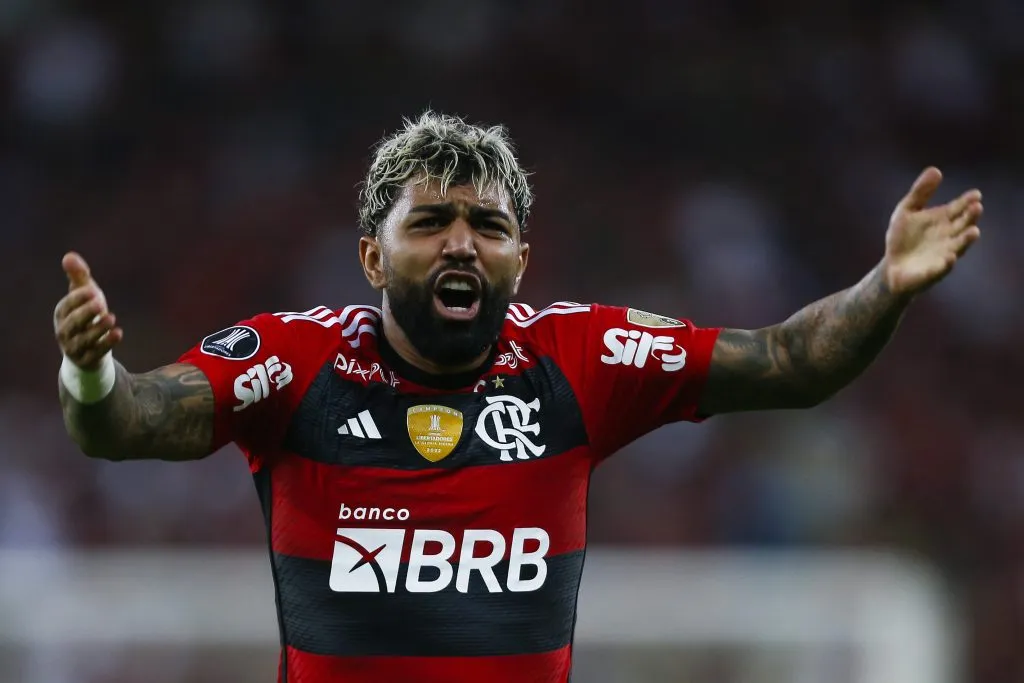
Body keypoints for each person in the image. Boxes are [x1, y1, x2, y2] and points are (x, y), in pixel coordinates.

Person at [53, 111, 983, 683]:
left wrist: (884, 285)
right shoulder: (295, 360)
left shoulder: (581, 355)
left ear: (521, 258)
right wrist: (90, 370)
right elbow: (127, 422)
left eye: (488, 225)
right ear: (373, 256)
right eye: (431, 222)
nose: (462, 242)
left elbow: (788, 360)